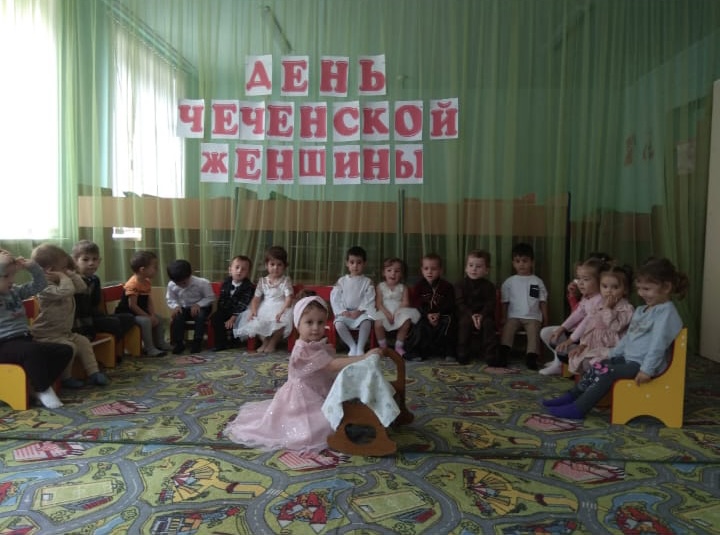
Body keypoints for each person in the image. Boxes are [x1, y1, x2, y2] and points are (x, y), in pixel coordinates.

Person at [542, 257, 687, 420]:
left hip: (642, 365)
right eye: (639, 289)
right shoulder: (642, 310)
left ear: (666, 287)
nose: (641, 293)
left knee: (606, 373)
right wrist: (612, 354)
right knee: (598, 365)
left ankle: (578, 409)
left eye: (647, 289)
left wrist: (647, 369)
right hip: (629, 359)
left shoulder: (666, 313)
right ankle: (571, 396)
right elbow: (629, 338)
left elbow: (658, 344)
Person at [223, 295, 372, 452]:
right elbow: (331, 365)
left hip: (317, 388)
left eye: (320, 322)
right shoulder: (302, 350)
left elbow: (328, 364)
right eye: (309, 322)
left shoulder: (314, 344)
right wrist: (363, 357)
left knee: (341, 410)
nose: (315, 327)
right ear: (297, 324)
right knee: (318, 426)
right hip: (302, 397)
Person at [30, 243, 110, 388]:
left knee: (83, 342)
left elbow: (81, 287)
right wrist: (64, 277)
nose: (66, 271)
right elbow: (65, 291)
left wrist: (71, 274)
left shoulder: (63, 281)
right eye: (63, 268)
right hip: (46, 334)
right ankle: (66, 378)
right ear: (50, 270)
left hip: (64, 332)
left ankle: (93, 373)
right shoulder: (43, 286)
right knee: (70, 347)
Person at [0, 249, 72, 409]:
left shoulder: (15, 291)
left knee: (65, 350)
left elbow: (40, 285)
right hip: (3, 345)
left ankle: (36, 387)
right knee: (32, 351)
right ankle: (44, 389)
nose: (12, 280)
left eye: (13, 275)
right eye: (6, 276)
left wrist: (33, 267)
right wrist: (5, 262)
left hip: (24, 341)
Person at [538, 256, 606, 376]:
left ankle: (584, 370)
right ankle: (563, 364)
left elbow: (587, 322)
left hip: (593, 342)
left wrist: (570, 340)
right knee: (554, 337)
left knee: (569, 351)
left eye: (586, 279)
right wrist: (562, 328)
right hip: (581, 338)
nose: (580, 283)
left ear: (600, 281)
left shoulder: (600, 299)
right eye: (579, 279)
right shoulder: (587, 297)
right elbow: (577, 313)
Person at [71, 240, 136, 360]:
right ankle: (109, 353)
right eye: (85, 260)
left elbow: (95, 303)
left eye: (95, 259)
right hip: (80, 321)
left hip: (93, 316)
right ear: (75, 261)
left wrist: (102, 315)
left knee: (128, 318)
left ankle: (113, 347)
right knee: (113, 323)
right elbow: (81, 308)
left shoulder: (94, 279)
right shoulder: (74, 281)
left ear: (99, 261)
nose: (91, 263)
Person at [488, 242, 547, 370]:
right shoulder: (509, 282)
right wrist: (504, 317)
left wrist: (545, 318)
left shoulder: (537, 281)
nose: (521, 264)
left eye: (525, 261)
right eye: (517, 261)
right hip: (514, 316)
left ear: (532, 262)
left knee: (533, 332)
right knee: (508, 329)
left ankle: (531, 358)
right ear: (513, 263)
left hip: (532, 316)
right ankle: (503, 356)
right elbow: (505, 302)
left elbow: (542, 301)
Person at [567, 264, 635, 375]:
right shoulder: (599, 305)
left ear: (625, 290)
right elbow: (590, 327)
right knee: (577, 359)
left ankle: (598, 380)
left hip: (612, 348)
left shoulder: (626, 308)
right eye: (604, 286)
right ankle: (589, 382)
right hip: (594, 346)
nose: (609, 291)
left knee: (591, 364)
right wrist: (582, 345)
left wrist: (608, 309)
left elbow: (616, 327)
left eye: (615, 287)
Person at [234, 246, 294, 353]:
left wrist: (282, 311)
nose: (275, 267)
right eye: (272, 264)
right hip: (265, 306)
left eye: (279, 264)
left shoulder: (285, 280)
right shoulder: (262, 281)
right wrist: (253, 310)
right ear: (266, 265)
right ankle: (265, 341)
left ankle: (273, 342)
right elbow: (256, 298)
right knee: (254, 320)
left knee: (282, 321)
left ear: (285, 266)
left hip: (281, 306)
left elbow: (289, 298)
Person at [115, 250, 172, 357]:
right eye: (154, 267)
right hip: (127, 313)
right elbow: (132, 306)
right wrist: (147, 317)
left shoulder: (146, 282)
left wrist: (152, 315)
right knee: (146, 321)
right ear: (142, 270)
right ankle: (149, 348)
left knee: (159, 318)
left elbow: (148, 300)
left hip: (139, 312)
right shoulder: (133, 284)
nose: (157, 270)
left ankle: (160, 343)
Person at [405, 253, 456, 362]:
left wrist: (438, 314)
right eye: (426, 268)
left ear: (440, 270)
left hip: (442, 315)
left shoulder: (447, 286)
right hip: (424, 315)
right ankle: (416, 351)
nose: (429, 272)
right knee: (418, 322)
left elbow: (450, 303)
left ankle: (448, 351)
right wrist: (427, 315)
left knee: (449, 321)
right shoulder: (419, 286)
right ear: (422, 270)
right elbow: (416, 303)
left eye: (434, 269)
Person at [330, 246, 376, 356]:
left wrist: (360, 310)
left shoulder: (367, 282)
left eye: (359, 262)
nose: (355, 266)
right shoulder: (341, 281)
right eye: (352, 262)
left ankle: (360, 347)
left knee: (367, 322)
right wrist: (342, 311)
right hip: (345, 313)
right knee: (338, 324)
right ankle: (352, 346)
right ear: (347, 263)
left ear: (364, 263)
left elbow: (369, 298)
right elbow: (335, 298)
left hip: (361, 313)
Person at [454, 250, 498, 365]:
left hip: (484, 314)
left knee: (488, 324)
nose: (474, 269)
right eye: (471, 265)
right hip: (466, 313)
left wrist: (482, 315)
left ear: (486, 270)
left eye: (478, 266)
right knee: (464, 323)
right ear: (466, 268)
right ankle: (463, 352)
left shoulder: (489, 286)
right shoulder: (460, 284)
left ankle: (490, 354)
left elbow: (490, 304)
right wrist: (471, 315)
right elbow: (460, 303)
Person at [165, 259, 216, 354]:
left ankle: (197, 341)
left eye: (184, 283)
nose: (181, 286)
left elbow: (210, 297)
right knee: (177, 316)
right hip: (184, 307)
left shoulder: (202, 283)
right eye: (178, 284)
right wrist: (175, 306)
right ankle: (179, 343)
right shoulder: (171, 285)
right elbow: (170, 299)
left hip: (202, 307)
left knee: (200, 316)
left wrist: (198, 304)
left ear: (190, 274)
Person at [372, 257, 420, 357]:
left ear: (401, 274)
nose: (393, 273)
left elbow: (406, 302)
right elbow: (379, 303)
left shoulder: (403, 287)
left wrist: (396, 313)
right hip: (384, 311)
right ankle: (383, 346)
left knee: (406, 322)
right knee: (378, 324)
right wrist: (387, 314)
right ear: (384, 273)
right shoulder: (380, 286)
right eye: (389, 270)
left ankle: (399, 346)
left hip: (399, 311)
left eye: (397, 271)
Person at [210, 255, 255, 351]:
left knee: (239, 321)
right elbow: (222, 299)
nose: (239, 271)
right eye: (237, 267)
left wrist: (233, 317)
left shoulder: (248, 286)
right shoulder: (226, 283)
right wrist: (221, 311)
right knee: (216, 317)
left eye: (243, 269)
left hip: (240, 312)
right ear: (230, 270)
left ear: (248, 273)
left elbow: (243, 304)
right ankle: (221, 343)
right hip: (225, 309)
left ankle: (235, 341)